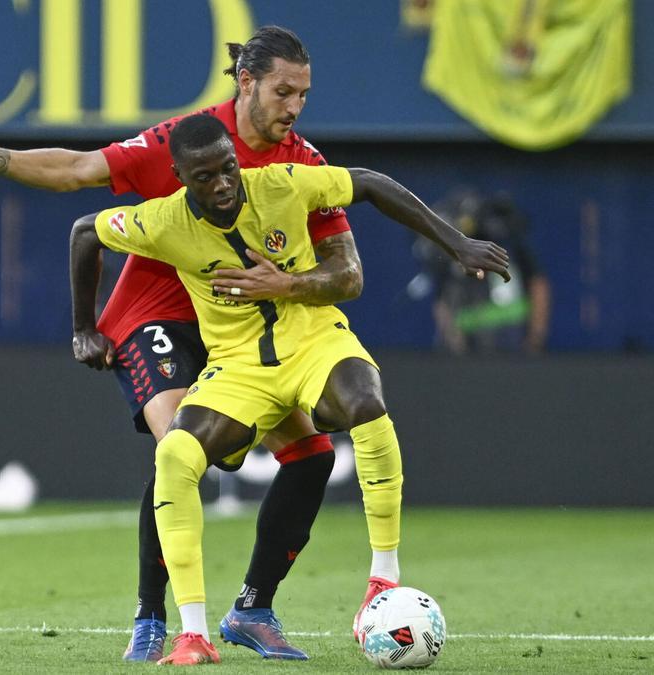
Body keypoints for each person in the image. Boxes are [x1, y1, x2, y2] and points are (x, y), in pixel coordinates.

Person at [0, 26, 505, 660]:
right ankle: (153, 618)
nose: (295, 107)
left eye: (304, 95)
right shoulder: (184, 141)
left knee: (309, 456)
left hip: (248, 330)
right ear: (246, 82)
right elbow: (81, 175)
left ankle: (253, 607)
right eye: (284, 92)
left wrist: (291, 281)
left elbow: (349, 273)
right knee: (184, 450)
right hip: (157, 313)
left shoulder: (296, 165)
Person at [70, 113, 509, 664]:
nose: (224, 183)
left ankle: (383, 580)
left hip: (314, 341)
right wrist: (84, 328)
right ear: (180, 177)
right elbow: (86, 231)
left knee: (365, 405)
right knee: (177, 453)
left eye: (229, 168)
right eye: (205, 176)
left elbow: (369, 183)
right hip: (239, 366)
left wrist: (458, 245)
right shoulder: (159, 222)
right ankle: (193, 633)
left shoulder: (280, 183)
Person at [418, 189, 550, 354]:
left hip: (516, 354)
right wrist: (455, 346)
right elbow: (442, 305)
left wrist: (536, 337)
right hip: (472, 358)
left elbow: (538, 285)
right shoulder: (452, 263)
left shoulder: (512, 249)